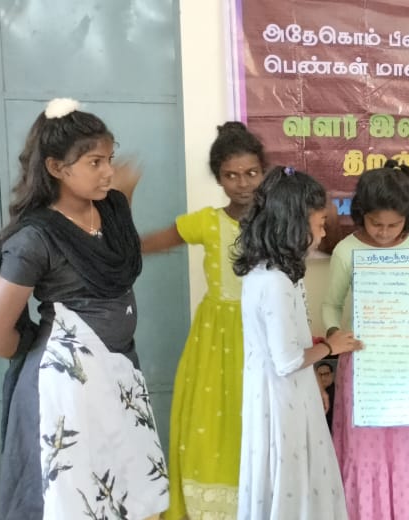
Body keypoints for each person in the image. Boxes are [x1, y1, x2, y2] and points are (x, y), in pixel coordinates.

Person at [0, 98, 167, 519]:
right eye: (94, 162)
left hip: (119, 374)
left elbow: (117, 245)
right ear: (56, 167)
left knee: (127, 494)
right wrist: (53, 355)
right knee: (80, 499)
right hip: (71, 387)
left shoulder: (111, 209)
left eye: (109, 159)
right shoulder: (35, 239)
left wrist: (123, 186)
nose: (108, 172)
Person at [321, 160, 409, 520]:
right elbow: (330, 306)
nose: (384, 233)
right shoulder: (345, 251)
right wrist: (335, 335)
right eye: (375, 224)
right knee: (366, 450)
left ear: (408, 218)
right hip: (364, 366)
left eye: (394, 225)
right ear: (361, 215)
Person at [141, 121, 266, 519]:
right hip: (216, 341)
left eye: (251, 173)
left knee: (258, 419)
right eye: (231, 175)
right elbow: (152, 243)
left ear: (264, 172)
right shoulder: (207, 222)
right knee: (215, 420)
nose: (242, 184)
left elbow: (322, 231)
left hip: (265, 333)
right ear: (218, 178)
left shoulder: (278, 220)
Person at [233, 166, 360, 520]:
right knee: (291, 479)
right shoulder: (275, 282)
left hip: (287, 391)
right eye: (319, 223)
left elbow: (292, 343)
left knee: (294, 478)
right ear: (294, 225)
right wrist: (332, 347)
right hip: (281, 398)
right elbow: (287, 360)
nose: (323, 232)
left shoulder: (276, 271)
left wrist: (314, 380)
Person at [315, 360, 335, 428]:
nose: (323, 378)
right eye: (320, 375)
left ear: (332, 375)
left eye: (326, 374)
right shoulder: (313, 393)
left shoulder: (338, 392)